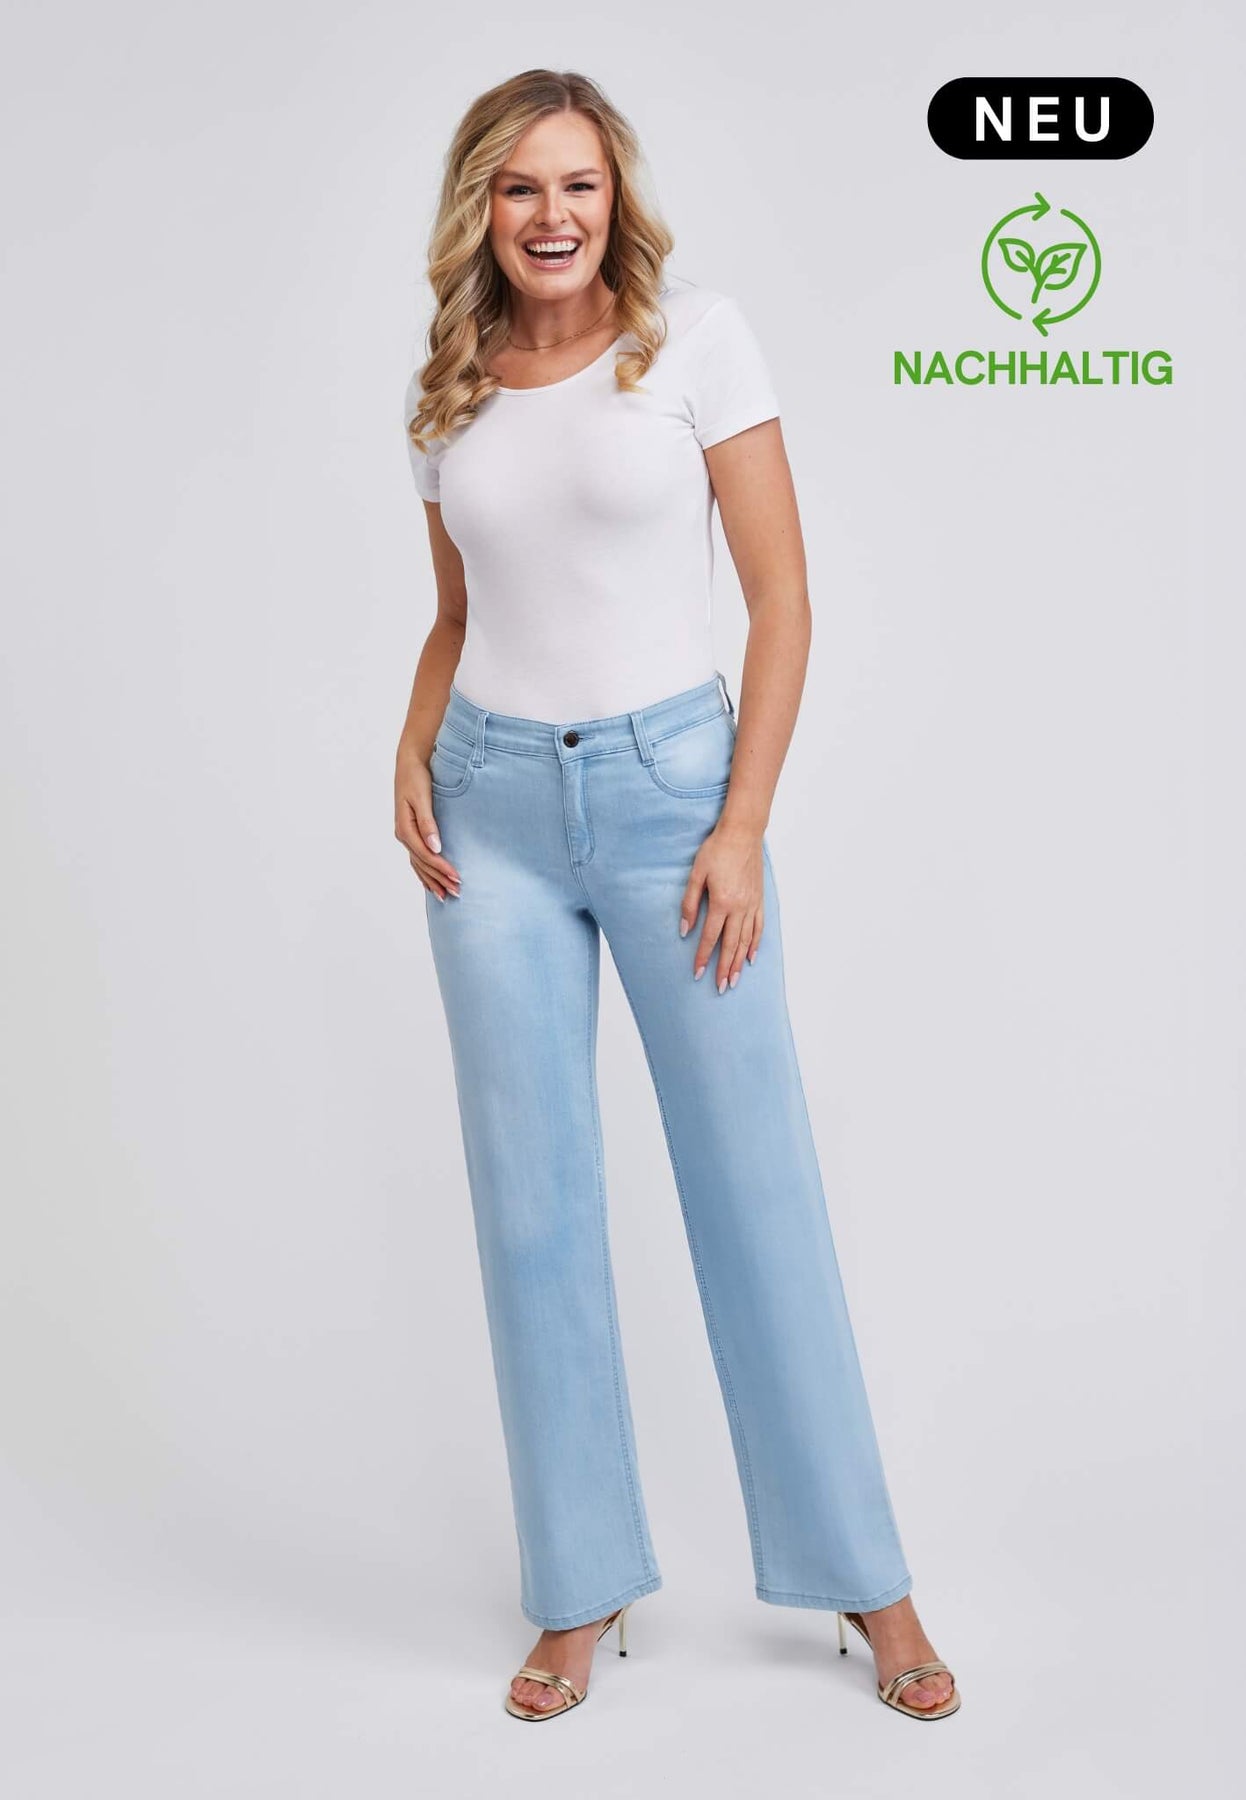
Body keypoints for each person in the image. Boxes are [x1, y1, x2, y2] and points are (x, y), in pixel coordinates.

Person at [396, 68, 960, 1725]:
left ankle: (869, 1584)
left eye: (576, 184)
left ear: (614, 198)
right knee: (531, 1209)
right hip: (487, 815)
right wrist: (410, 746)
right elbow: (457, 614)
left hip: (672, 805)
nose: (550, 215)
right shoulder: (443, 388)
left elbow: (780, 596)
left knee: (751, 1185)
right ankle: (578, 1592)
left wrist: (741, 820)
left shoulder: (693, 341)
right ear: (479, 211)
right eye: (518, 189)